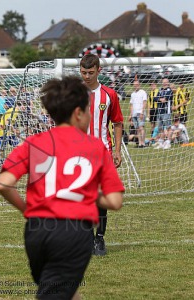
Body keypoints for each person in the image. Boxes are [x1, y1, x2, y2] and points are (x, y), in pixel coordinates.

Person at [0, 76, 124, 300]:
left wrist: (26, 209)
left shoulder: (34, 142)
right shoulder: (94, 146)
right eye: (87, 110)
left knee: (62, 288)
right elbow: (114, 201)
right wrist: (85, 192)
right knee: (55, 292)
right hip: (73, 232)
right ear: (78, 113)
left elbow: (4, 183)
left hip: (36, 231)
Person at [80, 54, 123, 256]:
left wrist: (117, 150)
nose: (86, 76)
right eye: (83, 72)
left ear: (99, 71)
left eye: (90, 72)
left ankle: (99, 239)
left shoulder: (109, 94)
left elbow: (117, 123)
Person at [129, 80, 147, 148]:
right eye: (134, 85)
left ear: (139, 85)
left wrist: (142, 112)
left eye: (137, 85)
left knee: (141, 127)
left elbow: (144, 102)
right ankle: (139, 143)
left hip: (140, 112)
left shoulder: (143, 92)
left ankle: (143, 143)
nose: (135, 86)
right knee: (137, 129)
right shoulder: (132, 94)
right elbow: (131, 105)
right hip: (134, 113)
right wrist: (130, 115)